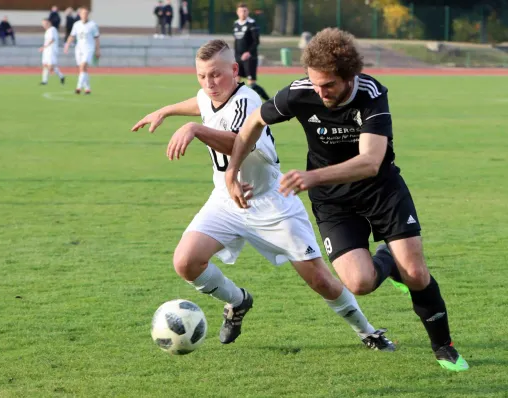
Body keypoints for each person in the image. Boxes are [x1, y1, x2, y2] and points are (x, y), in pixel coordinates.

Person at [225, 28, 470, 372]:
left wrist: (311, 177)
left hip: (381, 190)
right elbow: (253, 122)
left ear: (349, 75)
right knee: (359, 282)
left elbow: (370, 162)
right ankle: (388, 259)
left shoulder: (371, 93)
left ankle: (443, 345)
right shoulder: (301, 92)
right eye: (315, 83)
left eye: (328, 85)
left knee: (416, 273)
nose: (320, 92)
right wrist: (232, 169)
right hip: (334, 202)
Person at [131, 39, 394, 350]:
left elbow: (238, 143)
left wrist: (194, 129)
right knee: (186, 262)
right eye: (201, 76)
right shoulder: (208, 94)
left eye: (216, 75)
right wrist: (166, 111)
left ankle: (367, 331)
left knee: (321, 281)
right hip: (226, 201)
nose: (209, 83)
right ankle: (238, 302)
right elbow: (200, 102)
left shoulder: (249, 100)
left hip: (271, 202)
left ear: (234, 70)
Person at [233, 3, 269, 101]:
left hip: (250, 58)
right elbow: (236, 41)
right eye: (241, 11)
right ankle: (235, 102)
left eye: (245, 11)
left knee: (251, 84)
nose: (243, 13)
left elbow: (256, 41)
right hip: (238, 58)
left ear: (248, 12)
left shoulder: (252, 23)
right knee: (235, 82)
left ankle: (269, 100)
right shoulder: (236, 24)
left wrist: (248, 52)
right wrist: (235, 56)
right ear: (237, 12)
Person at [63, 7, 100, 95]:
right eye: (83, 13)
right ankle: (87, 88)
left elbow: (97, 38)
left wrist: (97, 50)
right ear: (80, 14)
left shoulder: (93, 25)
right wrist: (67, 45)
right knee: (82, 69)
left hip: (89, 48)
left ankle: (78, 87)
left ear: (88, 14)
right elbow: (72, 36)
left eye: (86, 13)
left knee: (83, 66)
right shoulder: (76, 24)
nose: (84, 15)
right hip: (79, 48)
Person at [39, 19, 65, 86]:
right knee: (45, 65)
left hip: (51, 50)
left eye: (45, 23)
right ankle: (44, 81)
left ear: (49, 23)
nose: (44, 25)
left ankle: (61, 76)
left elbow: (52, 40)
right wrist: (44, 48)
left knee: (51, 67)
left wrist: (44, 47)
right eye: (43, 24)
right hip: (46, 50)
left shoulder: (52, 29)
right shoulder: (47, 31)